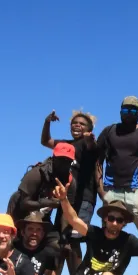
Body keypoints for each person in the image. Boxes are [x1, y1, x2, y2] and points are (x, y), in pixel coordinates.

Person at [96, 96, 138, 252]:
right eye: (126, 110)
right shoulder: (109, 131)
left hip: (135, 191)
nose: (129, 113)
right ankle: (103, 273)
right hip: (111, 191)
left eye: (133, 110)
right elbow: (98, 162)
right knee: (107, 236)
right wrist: (101, 190)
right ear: (120, 112)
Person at [41, 110, 101, 257]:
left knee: (73, 239)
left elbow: (92, 147)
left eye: (82, 124)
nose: (77, 125)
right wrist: (47, 122)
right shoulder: (65, 145)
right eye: (75, 123)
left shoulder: (89, 144)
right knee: (61, 240)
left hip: (84, 198)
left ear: (89, 129)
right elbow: (45, 141)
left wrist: (90, 139)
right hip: (65, 198)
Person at [9, 142, 76, 261]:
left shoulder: (70, 183)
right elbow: (24, 203)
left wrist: (64, 235)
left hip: (41, 218)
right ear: (53, 158)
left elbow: (66, 212)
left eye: (67, 160)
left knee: (58, 245)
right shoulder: (36, 174)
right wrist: (48, 203)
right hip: (18, 212)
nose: (63, 163)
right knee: (9, 242)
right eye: (61, 159)